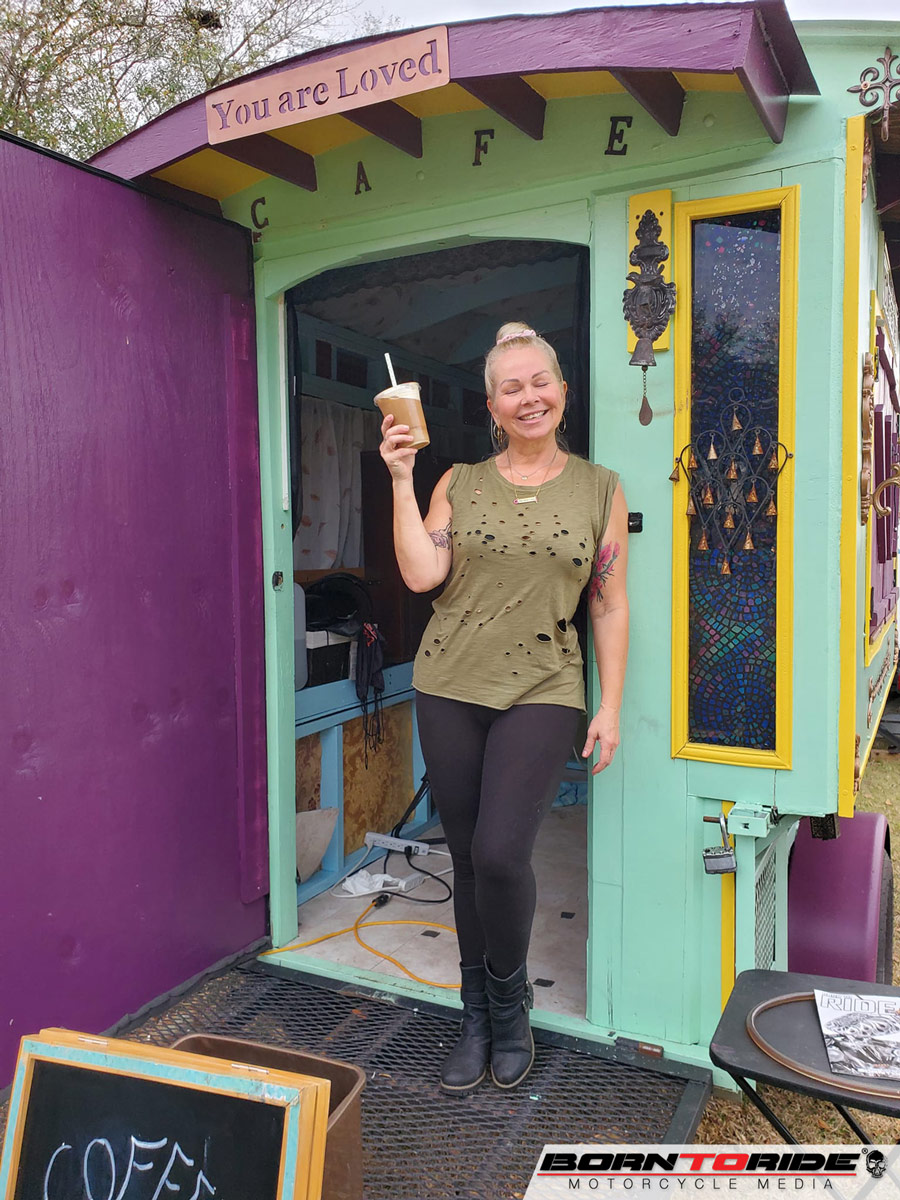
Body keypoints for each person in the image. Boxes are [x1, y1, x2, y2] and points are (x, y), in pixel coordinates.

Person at [378, 322, 629, 1092]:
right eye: (511, 388)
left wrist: (610, 704)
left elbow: (608, 603)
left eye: (539, 382)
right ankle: (476, 1016)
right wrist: (402, 479)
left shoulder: (599, 488)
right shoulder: (459, 482)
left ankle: (511, 1005)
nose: (529, 398)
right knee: (465, 858)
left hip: (544, 689)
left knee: (498, 854)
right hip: (449, 685)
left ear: (563, 391)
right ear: (491, 406)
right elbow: (421, 575)